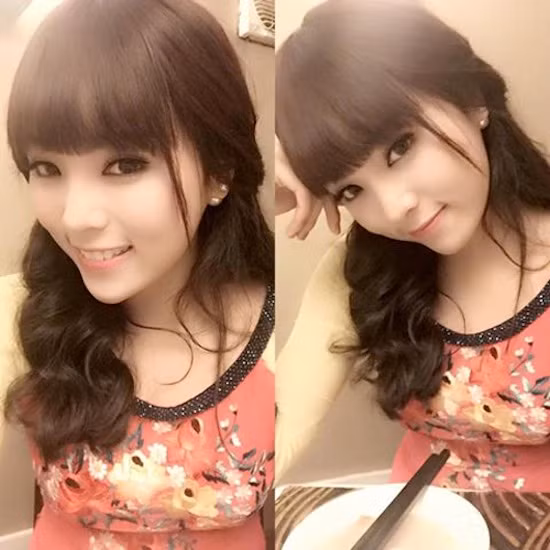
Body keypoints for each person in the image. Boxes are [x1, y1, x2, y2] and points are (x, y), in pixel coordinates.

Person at [1, 0, 274, 548]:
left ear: (219, 169)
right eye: (46, 168)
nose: (76, 218)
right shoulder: (24, 310)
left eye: (124, 165)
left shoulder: (281, 333)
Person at [275, 0, 550, 493]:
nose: (394, 207)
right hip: (414, 521)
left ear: (471, 99)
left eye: (400, 147)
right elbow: (274, 432)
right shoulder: (362, 269)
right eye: (351, 190)